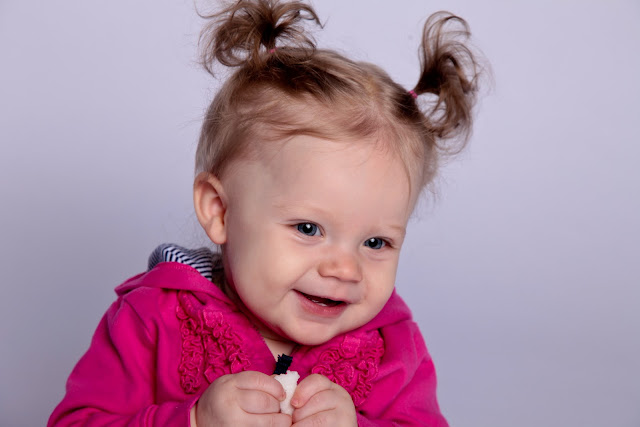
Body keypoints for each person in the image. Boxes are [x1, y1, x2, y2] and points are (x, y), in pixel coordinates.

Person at [48, 0, 481, 425]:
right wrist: (194, 420)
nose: (346, 269)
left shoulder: (392, 345)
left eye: (375, 242)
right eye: (308, 228)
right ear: (220, 211)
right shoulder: (152, 319)